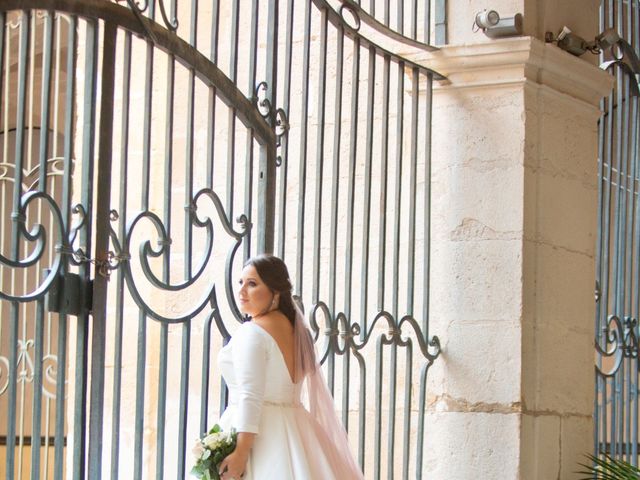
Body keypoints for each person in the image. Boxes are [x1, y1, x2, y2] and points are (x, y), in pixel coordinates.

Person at [216, 254, 364, 480]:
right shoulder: (296, 331)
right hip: (297, 430)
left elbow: (250, 394)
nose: (242, 291)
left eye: (253, 284)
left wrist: (241, 453)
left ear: (275, 292)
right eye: (241, 283)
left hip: (260, 436)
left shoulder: (252, 332)